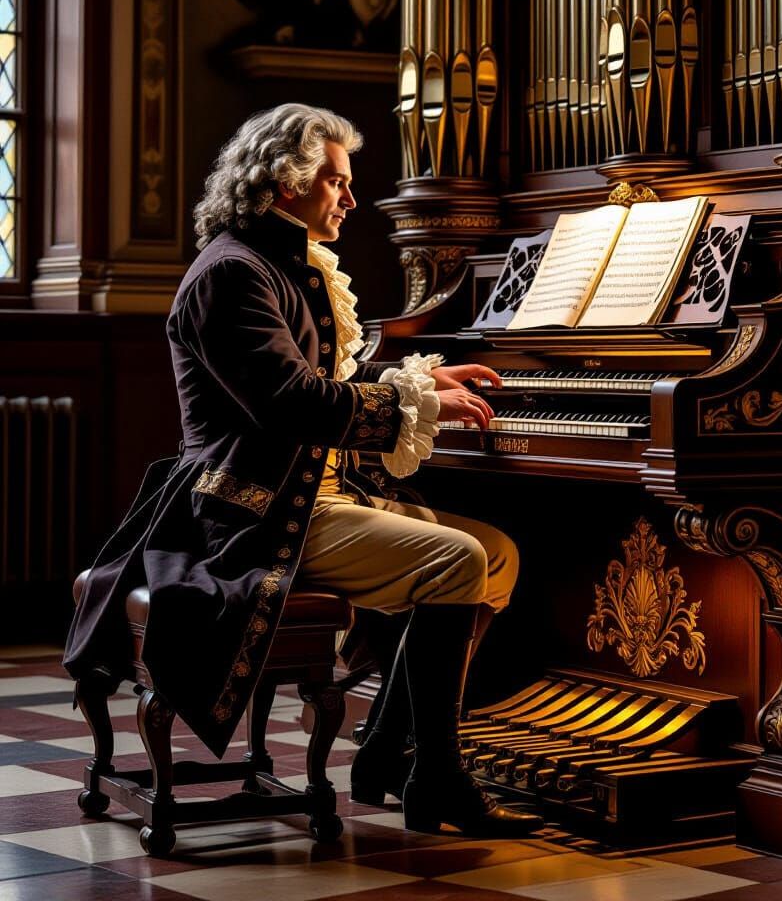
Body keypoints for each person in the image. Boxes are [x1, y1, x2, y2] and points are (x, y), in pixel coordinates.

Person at [64, 103, 542, 837]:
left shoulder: (282, 262)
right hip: (253, 514)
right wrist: (415, 403)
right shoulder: (232, 273)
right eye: (335, 181)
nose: (350, 197)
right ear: (285, 182)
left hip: (312, 495)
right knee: (458, 559)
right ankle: (439, 778)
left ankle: (386, 748)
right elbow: (289, 400)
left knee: (498, 557)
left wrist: (427, 388)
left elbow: (320, 371)